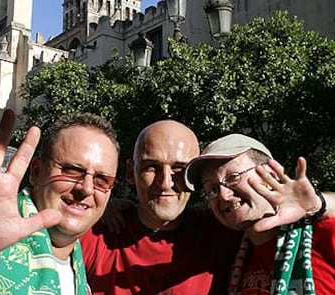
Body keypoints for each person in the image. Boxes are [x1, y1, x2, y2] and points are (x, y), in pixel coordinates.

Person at [0, 107, 120, 295]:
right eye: (72, 171)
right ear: (36, 172)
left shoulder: (81, 280)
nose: (86, 188)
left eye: (102, 180)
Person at [80, 120, 241, 294]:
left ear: (195, 176)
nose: (165, 182)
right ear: (130, 172)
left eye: (179, 169)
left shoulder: (223, 232)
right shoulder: (96, 234)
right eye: (152, 167)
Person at [184, 133, 335, 294]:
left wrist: (318, 204)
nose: (223, 195)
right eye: (212, 189)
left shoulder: (322, 232)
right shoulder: (230, 254)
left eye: (233, 177)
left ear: (270, 174)